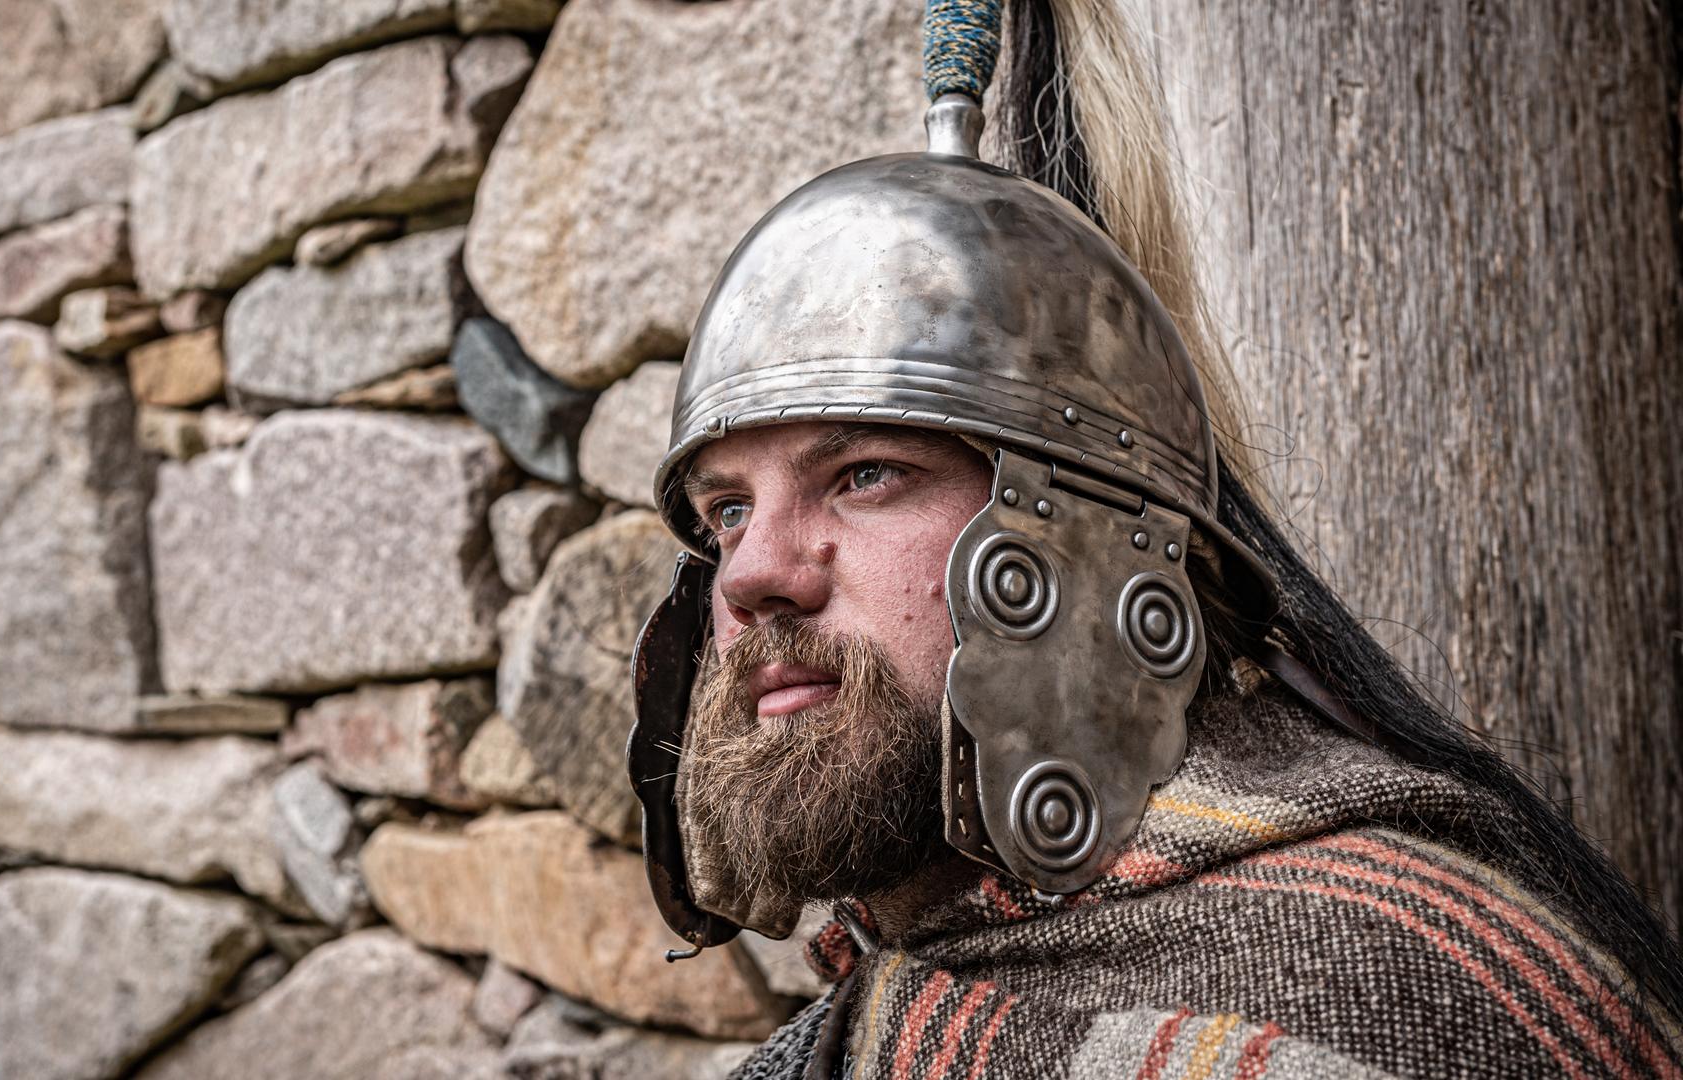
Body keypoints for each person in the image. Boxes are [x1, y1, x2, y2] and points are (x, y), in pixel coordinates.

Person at [626, 1, 1683, 1076]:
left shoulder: (1391, 994)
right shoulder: (883, 1000)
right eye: (728, 510)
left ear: (1090, 533)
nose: (752, 573)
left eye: (864, 475)